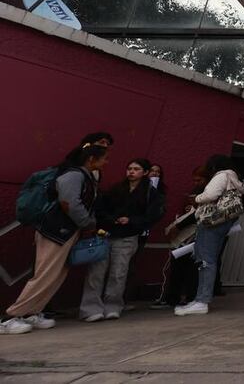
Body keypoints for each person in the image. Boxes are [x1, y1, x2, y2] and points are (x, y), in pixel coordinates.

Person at [2, 144, 108, 335]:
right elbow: (69, 203)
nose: (106, 162)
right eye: (103, 158)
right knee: (45, 274)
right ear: (91, 159)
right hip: (56, 231)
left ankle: (31, 312)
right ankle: (10, 317)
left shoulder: (85, 176)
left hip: (66, 231)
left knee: (56, 275)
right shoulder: (74, 175)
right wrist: (87, 222)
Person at [80, 158, 164, 321]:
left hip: (127, 236)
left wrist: (131, 220)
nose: (131, 172)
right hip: (106, 233)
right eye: (129, 168)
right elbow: (100, 208)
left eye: (136, 169)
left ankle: (112, 306)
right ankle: (90, 308)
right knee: (96, 272)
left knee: (118, 273)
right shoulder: (116, 189)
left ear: (145, 172)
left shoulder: (150, 193)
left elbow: (153, 215)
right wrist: (111, 219)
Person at [175, 155, 244, 317]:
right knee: (208, 258)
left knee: (206, 260)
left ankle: (202, 300)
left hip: (212, 220)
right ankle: (200, 299)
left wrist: (197, 198)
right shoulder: (236, 178)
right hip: (225, 220)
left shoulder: (222, 176)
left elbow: (211, 195)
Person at [151, 166, 206, 309]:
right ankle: (177, 297)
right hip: (189, 237)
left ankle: (184, 297)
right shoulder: (198, 192)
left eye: (199, 180)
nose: (196, 183)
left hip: (195, 236)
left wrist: (178, 227)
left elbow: (198, 214)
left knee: (190, 269)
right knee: (180, 267)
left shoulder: (208, 194)